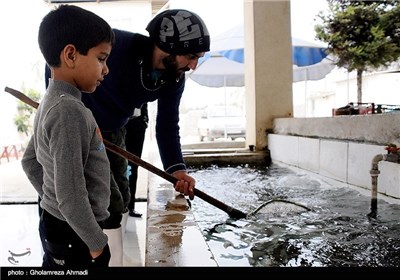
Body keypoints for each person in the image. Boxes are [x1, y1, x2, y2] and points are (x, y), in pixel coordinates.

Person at [79, 9, 211, 264]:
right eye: (191, 56)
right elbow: (60, 60)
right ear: (168, 46)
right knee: (105, 201)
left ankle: (114, 258)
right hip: (84, 129)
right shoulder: (116, 45)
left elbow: (167, 125)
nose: (193, 65)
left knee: (123, 198)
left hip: (115, 131)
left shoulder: (174, 78)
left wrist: (177, 170)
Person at [21, 5, 115, 268]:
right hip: (75, 234)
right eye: (101, 58)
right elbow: (70, 195)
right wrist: (96, 243)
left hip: (61, 225)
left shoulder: (51, 102)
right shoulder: (68, 111)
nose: (106, 70)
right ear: (71, 55)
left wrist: (53, 203)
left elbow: (29, 162)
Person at [125, 103, 148, 218]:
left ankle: (131, 206)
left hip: (138, 124)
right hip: (120, 123)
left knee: (134, 167)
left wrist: (144, 120)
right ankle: (121, 206)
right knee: (118, 166)